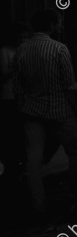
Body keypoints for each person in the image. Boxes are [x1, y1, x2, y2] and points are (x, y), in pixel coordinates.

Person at [13, 10, 77, 215]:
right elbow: (70, 85)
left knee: (33, 158)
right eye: (58, 23)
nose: (60, 26)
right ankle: (74, 196)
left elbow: (18, 88)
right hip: (59, 111)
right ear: (51, 24)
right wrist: (76, 113)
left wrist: (21, 109)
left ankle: (38, 203)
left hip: (31, 112)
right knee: (76, 152)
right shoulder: (59, 49)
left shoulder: (21, 49)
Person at [0, 22, 28, 195]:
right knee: (11, 134)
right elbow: (4, 74)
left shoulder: (24, 51)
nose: (23, 40)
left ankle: (19, 167)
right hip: (8, 96)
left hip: (22, 98)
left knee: (20, 135)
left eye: (26, 37)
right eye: (21, 37)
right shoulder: (5, 52)